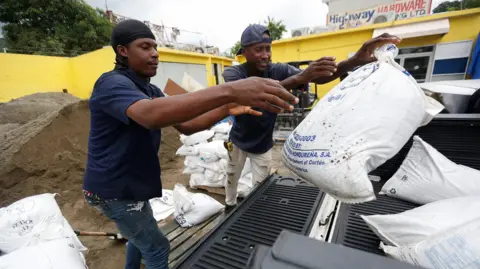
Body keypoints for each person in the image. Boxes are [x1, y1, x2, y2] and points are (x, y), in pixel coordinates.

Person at [82, 20, 298, 269]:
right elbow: (150, 116)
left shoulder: (148, 88)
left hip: (130, 185)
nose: (154, 53)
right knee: (156, 248)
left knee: (138, 237)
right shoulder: (112, 83)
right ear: (122, 51)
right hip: (113, 191)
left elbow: (187, 125)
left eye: (155, 47)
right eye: (145, 47)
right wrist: (229, 91)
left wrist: (227, 108)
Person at [222, 24, 401, 207]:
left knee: (260, 187)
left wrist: (353, 61)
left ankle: (253, 212)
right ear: (245, 52)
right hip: (238, 141)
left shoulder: (278, 70)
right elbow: (249, 94)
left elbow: (318, 77)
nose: (265, 54)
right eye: (258, 49)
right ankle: (229, 205)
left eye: (268, 49)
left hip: (262, 143)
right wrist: (299, 79)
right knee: (231, 175)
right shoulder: (233, 73)